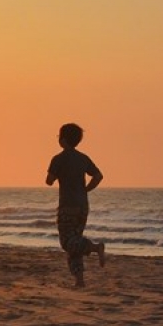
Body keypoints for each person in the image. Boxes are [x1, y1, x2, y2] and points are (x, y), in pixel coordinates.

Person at [46, 123, 105, 287]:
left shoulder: (58, 159)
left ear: (63, 140)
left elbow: (49, 181)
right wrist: (86, 190)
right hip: (82, 206)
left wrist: (57, 175)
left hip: (67, 205)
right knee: (75, 242)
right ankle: (79, 280)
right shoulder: (83, 158)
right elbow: (98, 176)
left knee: (67, 242)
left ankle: (95, 247)